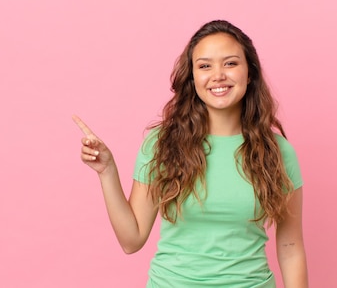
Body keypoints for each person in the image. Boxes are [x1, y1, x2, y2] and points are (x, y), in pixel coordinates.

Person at [73, 20, 308, 288]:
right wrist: (107, 172)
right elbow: (132, 240)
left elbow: (290, 247)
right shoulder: (162, 144)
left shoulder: (278, 153)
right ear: (193, 76)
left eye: (230, 63)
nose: (218, 75)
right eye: (205, 66)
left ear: (250, 73)